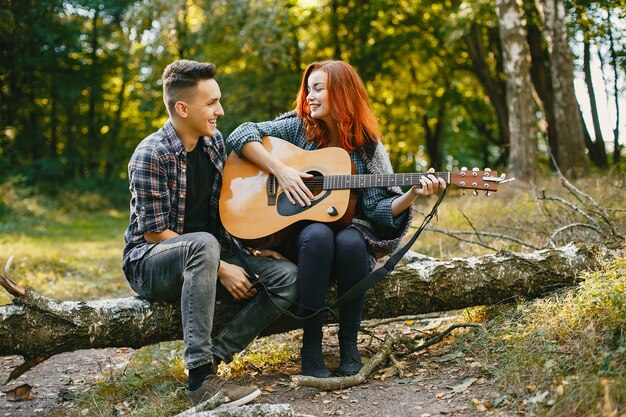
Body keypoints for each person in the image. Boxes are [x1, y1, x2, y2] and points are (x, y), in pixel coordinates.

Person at [226, 60, 446, 378]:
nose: (309, 96)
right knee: (317, 235)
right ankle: (311, 347)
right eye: (308, 89)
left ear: (341, 93)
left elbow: (377, 211)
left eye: (319, 89)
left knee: (351, 241)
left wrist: (412, 194)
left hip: (346, 239)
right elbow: (241, 134)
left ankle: (349, 346)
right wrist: (282, 170)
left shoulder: (367, 148)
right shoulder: (297, 128)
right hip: (298, 237)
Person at [122, 59, 298, 405]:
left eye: (218, 100)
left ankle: (214, 357)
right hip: (151, 264)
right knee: (202, 245)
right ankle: (199, 381)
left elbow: (218, 213)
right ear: (183, 108)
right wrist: (220, 265)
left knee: (286, 276)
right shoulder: (151, 155)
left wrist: (248, 252)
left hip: (209, 253)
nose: (220, 110)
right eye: (212, 103)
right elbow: (155, 233)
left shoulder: (213, 142)